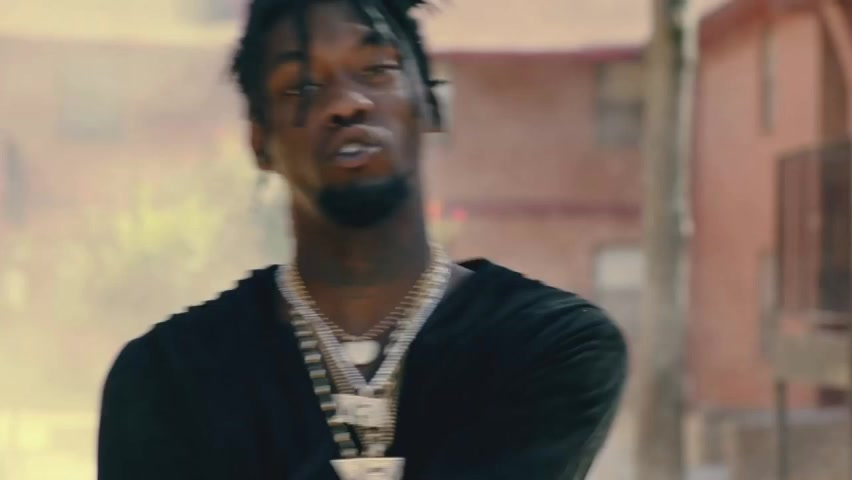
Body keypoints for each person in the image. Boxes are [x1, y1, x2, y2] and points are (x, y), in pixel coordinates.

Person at [96, 0, 628, 479]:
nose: (346, 103)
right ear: (260, 140)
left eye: (376, 69)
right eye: (301, 87)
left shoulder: (548, 345)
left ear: (430, 103)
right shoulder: (167, 379)